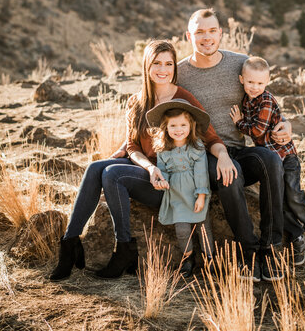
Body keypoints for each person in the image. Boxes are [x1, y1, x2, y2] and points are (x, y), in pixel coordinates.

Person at [50, 39, 228, 281]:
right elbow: (132, 146)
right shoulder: (136, 102)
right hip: (149, 169)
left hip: (171, 181)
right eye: (156, 63)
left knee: (112, 174)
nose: (163, 69)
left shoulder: (184, 99)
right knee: (95, 168)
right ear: (146, 65)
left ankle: (124, 249)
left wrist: (225, 156)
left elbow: (210, 137)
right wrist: (150, 167)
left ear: (175, 67)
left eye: (168, 63)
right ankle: (70, 244)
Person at [177, 8, 294, 282]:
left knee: (271, 161)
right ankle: (249, 253)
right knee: (230, 176)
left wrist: (285, 123)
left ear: (220, 33)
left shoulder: (239, 64)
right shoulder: (179, 73)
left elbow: (266, 97)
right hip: (203, 154)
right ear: (188, 35)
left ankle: (270, 248)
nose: (206, 37)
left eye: (211, 31)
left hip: (238, 149)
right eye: (199, 32)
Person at [229, 56, 305, 264]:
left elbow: (256, 130)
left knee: (293, 195)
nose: (255, 87)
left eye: (260, 83)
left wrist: (239, 123)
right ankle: (297, 236)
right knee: (279, 199)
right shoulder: (247, 100)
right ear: (241, 79)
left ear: (268, 82)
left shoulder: (266, 101)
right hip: (271, 160)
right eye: (251, 82)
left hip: (285, 156)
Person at [147, 99, 214, 277]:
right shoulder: (163, 150)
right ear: (166, 128)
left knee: (203, 226)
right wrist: (162, 182)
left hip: (196, 192)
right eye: (173, 125)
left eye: (183, 124)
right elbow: (163, 172)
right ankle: (188, 258)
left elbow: (201, 172)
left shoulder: (196, 146)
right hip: (176, 194)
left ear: (191, 126)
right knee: (182, 229)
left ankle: (210, 259)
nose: (179, 129)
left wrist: (201, 195)